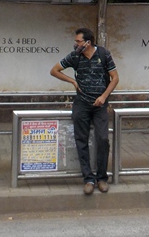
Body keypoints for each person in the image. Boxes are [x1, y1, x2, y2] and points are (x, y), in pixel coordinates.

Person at [49, 28, 119, 195]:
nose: (76, 44)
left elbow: (115, 78)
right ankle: (88, 179)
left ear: (88, 42)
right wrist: (72, 81)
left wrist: (103, 96)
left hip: (100, 105)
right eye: (76, 41)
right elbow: (54, 70)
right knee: (81, 140)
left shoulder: (103, 54)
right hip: (81, 104)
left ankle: (101, 178)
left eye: (78, 41)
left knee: (102, 139)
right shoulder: (75, 56)